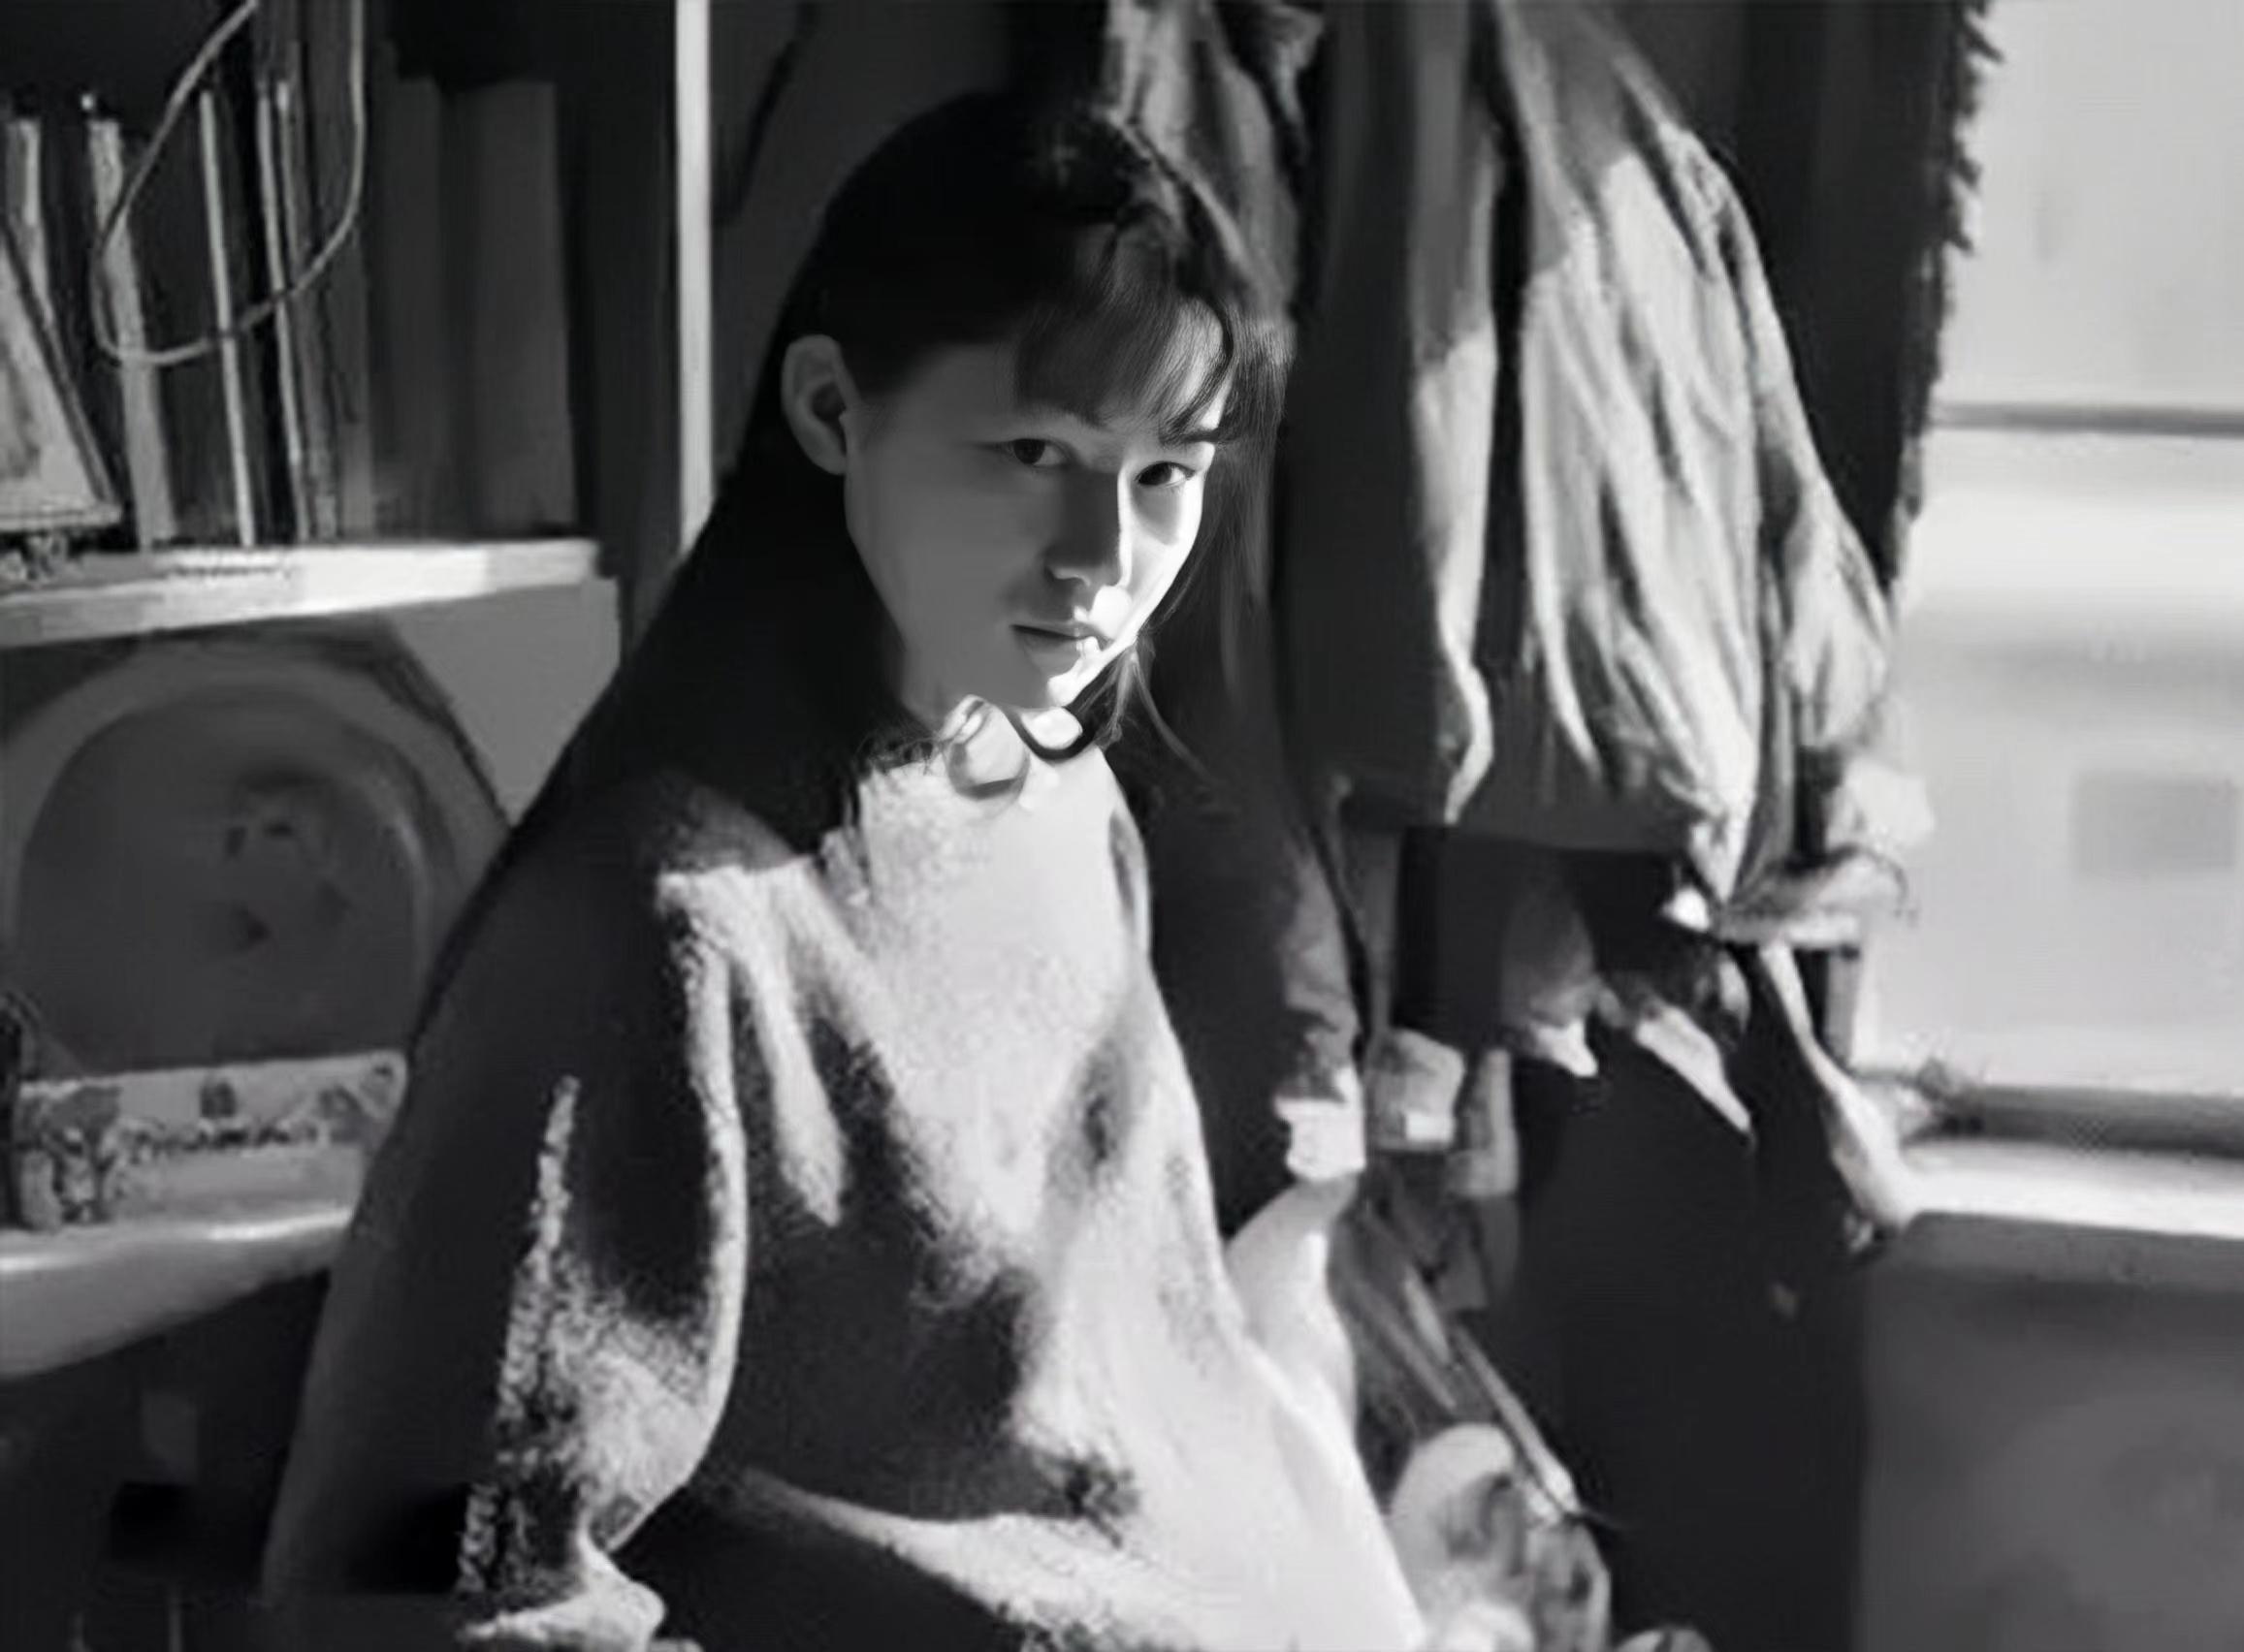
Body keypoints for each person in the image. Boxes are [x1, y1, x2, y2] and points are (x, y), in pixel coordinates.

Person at [259, 88, 1428, 1652]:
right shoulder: (660, 922)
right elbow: (434, 1592)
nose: (1103, 558)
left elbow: (1154, 1381)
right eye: (1034, 451)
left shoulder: (1053, 789)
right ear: (830, 409)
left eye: (1164, 475)